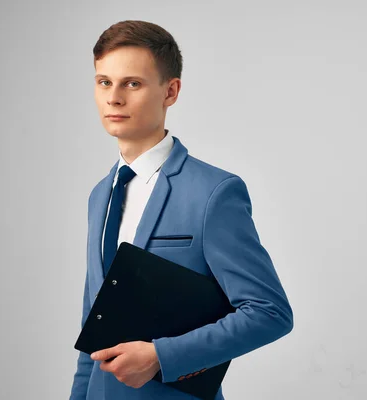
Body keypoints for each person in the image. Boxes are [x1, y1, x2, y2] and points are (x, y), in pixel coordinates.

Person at [69, 20, 294, 400]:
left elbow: (269, 312)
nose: (114, 98)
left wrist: (161, 356)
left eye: (133, 83)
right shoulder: (100, 196)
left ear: (170, 91)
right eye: (104, 82)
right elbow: (94, 328)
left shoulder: (214, 192)